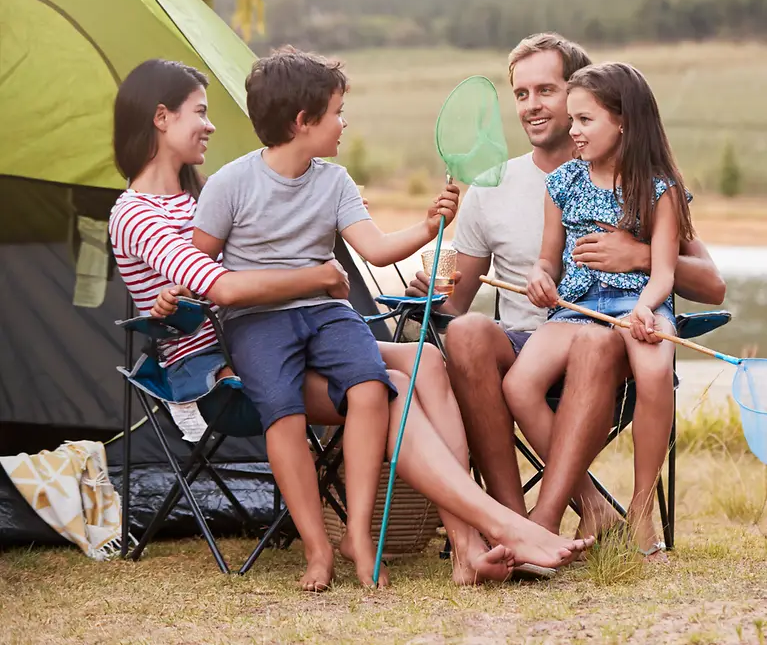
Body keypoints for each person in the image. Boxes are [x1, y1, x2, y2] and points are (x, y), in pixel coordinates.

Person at [109, 57, 591, 593]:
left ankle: (462, 545)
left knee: (425, 362)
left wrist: (431, 225)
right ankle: (476, 529)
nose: (211, 123)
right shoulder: (176, 201)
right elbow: (215, 283)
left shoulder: (229, 193)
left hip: (312, 324)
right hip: (221, 363)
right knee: (395, 388)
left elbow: (363, 249)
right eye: (199, 112)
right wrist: (313, 276)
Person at [408, 33, 726, 541]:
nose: (532, 106)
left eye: (546, 91)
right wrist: (426, 287)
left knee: (594, 342)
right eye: (521, 94)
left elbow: (712, 286)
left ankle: (550, 515)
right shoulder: (493, 186)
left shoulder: (643, 182)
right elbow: (453, 302)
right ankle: (514, 519)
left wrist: (639, 255)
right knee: (467, 332)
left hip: (609, 337)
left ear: (582, 94)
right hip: (532, 341)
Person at [192, 47, 462, 590]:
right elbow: (200, 260)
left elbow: (377, 249)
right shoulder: (230, 184)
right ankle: (317, 548)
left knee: (371, 389)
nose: (344, 123)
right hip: (257, 321)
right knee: (284, 416)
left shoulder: (334, 182)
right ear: (303, 122)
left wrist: (430, 226)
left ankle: (357, 533)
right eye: (337, 112)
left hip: (327, 313)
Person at [505, 61, 694, 560]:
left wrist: (648, 309)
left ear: (623, 121)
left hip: (636, 302)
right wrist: (542, 277)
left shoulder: (659, 187)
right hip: (575, 307)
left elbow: (664, 273)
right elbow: (549, 256)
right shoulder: (564, 182)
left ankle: (640, 510)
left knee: (654, 372)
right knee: (519, 385)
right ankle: (586, 496)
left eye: (585, 120)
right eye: (573, 120)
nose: (574, 131)